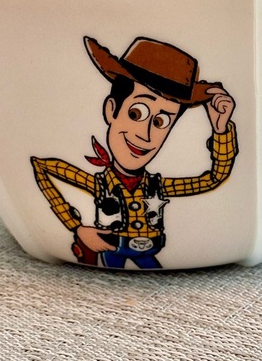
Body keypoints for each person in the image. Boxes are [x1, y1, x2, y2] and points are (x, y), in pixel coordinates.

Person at [31, 35, 238, 269]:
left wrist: (221, 130)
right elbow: (42, 166)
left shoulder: (157, 186)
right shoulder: (100, 184)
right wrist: (77, 227)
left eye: (160, 122)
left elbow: (214, 179)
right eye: (136, 114)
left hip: (149, 252)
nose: (145, 135)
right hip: (111, 249)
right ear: (111, 110)